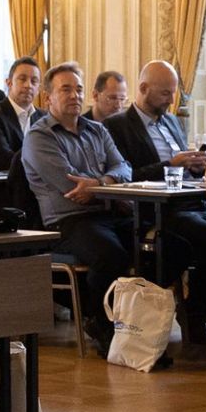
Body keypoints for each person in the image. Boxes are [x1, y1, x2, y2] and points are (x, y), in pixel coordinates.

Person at [103, 60, 206, 342]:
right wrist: (170, 164)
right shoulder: (116, 126)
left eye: (173, 92)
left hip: (188, 199)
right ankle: (197, 311)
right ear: (143, 88)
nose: (171, 100)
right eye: (165, 93)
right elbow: (125, 174)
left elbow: (180, 166)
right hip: (156, 209)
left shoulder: (171, 121)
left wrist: (194, 164)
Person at [21, 63, 133, 356]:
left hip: (107, 213)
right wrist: (107, 184)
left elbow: (124, 167)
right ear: (48, 97)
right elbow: (68, 184)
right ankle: (100, 322)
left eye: (79, 89)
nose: (75, 95)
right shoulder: (39, 137)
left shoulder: (97, 129)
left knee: (159, 245)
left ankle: (140, 326)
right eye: (66, 89)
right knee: (111, 254)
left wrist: (99, 183)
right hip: (67, 221)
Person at [0, 57, 46, 172]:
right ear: (9, 83)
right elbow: (5, 160)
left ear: (39, 88)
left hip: (39, 180)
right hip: (3, 180)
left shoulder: (44, 118)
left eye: (34, 81)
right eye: (22, 79)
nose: (28, 85)